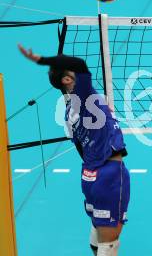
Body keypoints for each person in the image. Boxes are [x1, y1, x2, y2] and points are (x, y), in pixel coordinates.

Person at [18, 44, 130, 256]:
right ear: (67, 81)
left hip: (89, 175)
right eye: (69, 71)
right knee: (110, 244)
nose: (75, 70)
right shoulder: (85, 95)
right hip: (109, 174)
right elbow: (79, 64)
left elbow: (81, 148)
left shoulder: (69, 112)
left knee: (99, 238)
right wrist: (41, 59)